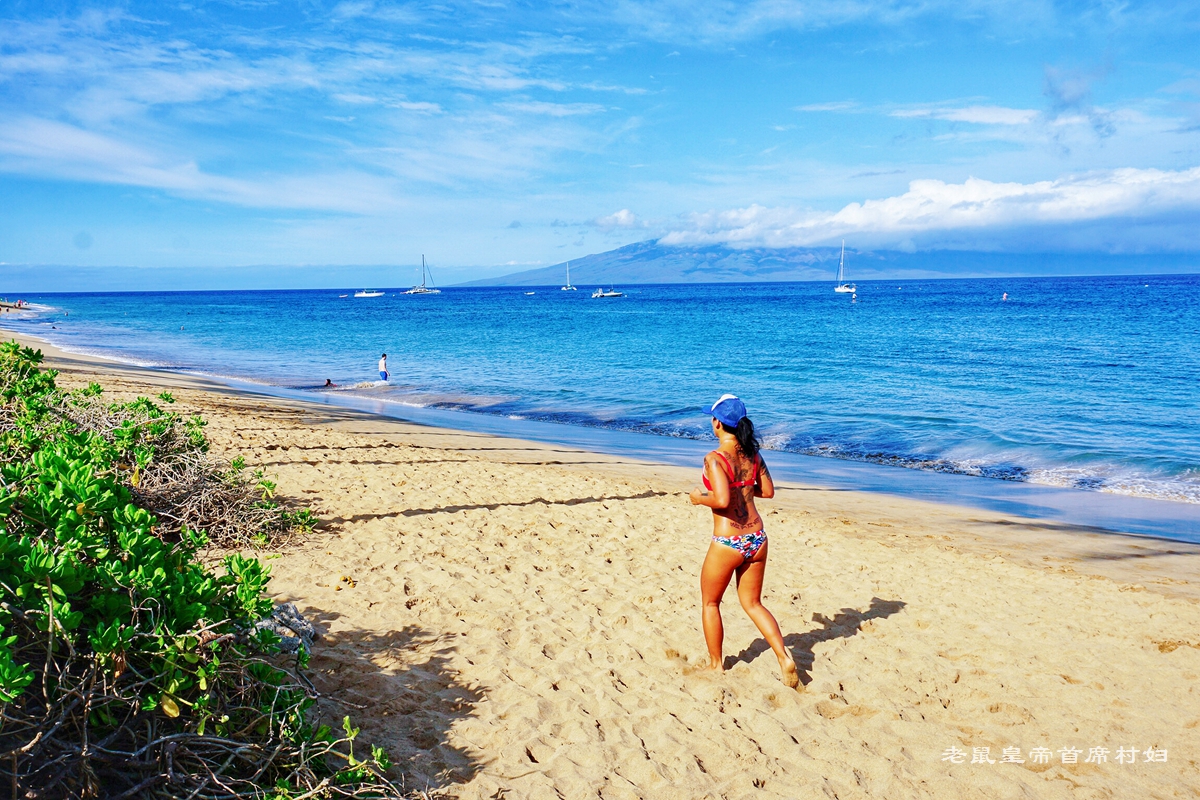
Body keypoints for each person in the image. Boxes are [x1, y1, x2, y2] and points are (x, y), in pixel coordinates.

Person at [690, 394, 799, 688]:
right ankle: (783, 656)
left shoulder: (714, 458)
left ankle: (716, 665)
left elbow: (721, 500)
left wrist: (698, 498)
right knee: (753, 603)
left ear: (717, 423)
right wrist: (744, 490)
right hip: (757, 537)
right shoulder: (753, 455)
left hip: (728, 541)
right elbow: (768, 492)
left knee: (710, 603)